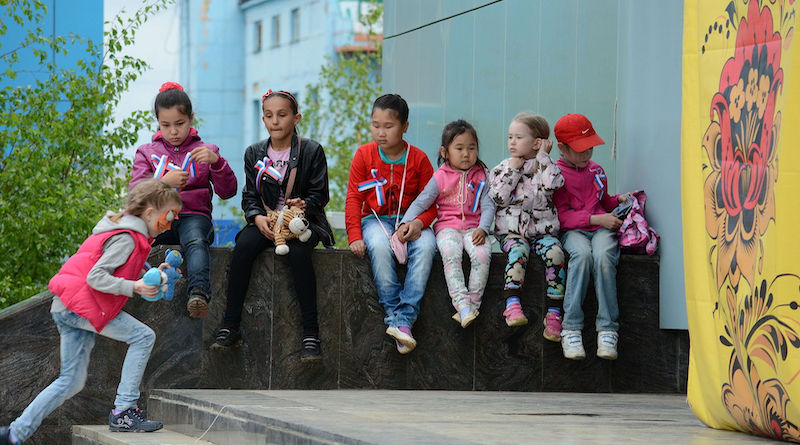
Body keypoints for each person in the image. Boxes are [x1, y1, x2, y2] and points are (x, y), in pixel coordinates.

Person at [0, 179, 182, 445]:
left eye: (175, 217)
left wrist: (154, 276)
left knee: (70, 380)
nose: (171, 222)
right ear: (150, 212)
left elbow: (128, 268)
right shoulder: (127, 239)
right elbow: (96, 277)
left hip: (67, 307)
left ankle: (14, 434)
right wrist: (135, 287)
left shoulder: (129, 234)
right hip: (81, 306)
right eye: (169, 215)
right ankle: (124, 410)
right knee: (143, 337)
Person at [211, 89, 334, 361]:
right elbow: (249, 197)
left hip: (301, 223)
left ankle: (311, 334)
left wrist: (304, 205)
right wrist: (257, 218)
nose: (275, 121)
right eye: (269, 116)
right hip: (268, 221)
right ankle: (230, 326)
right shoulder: (254, 152)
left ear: (296, 118)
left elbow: (320, 194)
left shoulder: (311, 150)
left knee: (300, 256)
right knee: (243, 247)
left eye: (282, 115)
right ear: (263, 119)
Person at [129, 82, 238, 319]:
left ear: (191, 118)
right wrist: (164, 183)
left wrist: (217, 163)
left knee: (197, 240)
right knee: (135, 240)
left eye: (180, 124)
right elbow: (135, 196)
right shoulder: (147, 152)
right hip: (159, 220)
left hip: (193, 216)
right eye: (165, 125)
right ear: (157, 122)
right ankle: (132, 286)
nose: (173, 131)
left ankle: (198, 292)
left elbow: (228, 191)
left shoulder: (206, 150)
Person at [345, 94, 437, 354]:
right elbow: (353, 197)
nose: (380, 132)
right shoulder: (364, 155)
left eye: (388, 126)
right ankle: (396, 317)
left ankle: (404, 319)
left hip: (410, 222)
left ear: (405, 127)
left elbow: (432, 204)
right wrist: (354, 235)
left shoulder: (418, 159)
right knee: (378, 244)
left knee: (428, 245)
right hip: (376, 220)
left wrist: (419, 223)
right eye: (375, 125)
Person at [400, 120, 494, 329]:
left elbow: (488, 206)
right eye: (459, 148)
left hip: (474, 228)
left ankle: (472, 306)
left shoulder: (483, 175)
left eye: (472, 148)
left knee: (482, 254)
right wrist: (405, 221)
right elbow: (422, 201)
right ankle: (461, 304)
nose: (466, 154)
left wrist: (483, 228)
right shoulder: (440, 177)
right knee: (451, 254)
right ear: (445, 151)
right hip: (447, 228)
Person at [553, 113, 631, 361]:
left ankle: (608, 328)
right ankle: (571, 327)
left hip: (600, 228)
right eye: (580, 148)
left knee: (605, 256)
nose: (587, 153)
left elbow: (602, 200)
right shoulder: (555, 175)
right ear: (562, 148)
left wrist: (616, 200)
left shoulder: (597, 170)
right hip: (574, 231)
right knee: (583, 255)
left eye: (591, 147)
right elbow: (561, 217)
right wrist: (597, 219)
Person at [488, 113, 566, 342]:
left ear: (537, 142)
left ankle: (554, 314)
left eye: (518, 137)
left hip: (543, 232)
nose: (512, 142)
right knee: (519, 250)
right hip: (512, 234)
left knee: (556, 253)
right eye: (510, 137)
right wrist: (512, 170)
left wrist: (544, 158)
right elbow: (498, 198)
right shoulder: (503, 167)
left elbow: (554, 184)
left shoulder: (545, 167)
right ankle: (512, 304)